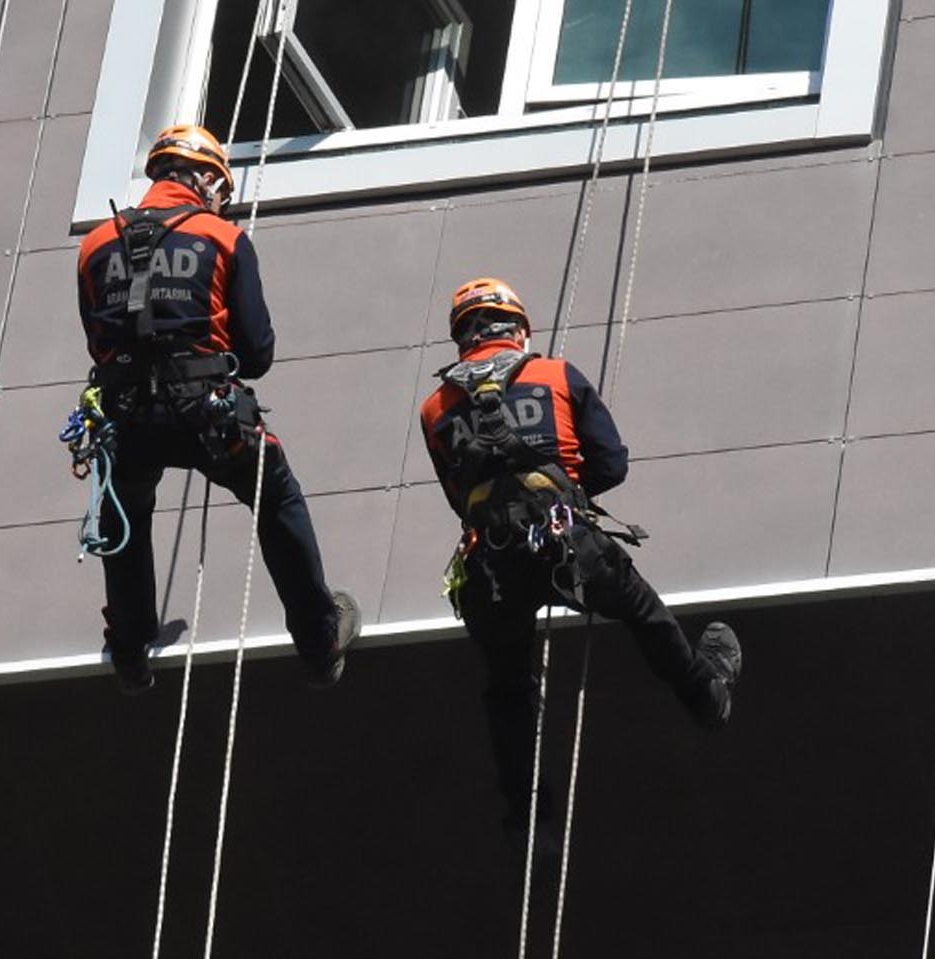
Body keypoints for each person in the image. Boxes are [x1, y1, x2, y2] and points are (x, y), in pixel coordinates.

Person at [416, 277, 740, 832]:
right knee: (643, 612)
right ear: (517, 328)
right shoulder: (556, 375)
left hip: (494, 568)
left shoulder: (434, 409)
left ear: (461, 339)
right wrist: (561, 489)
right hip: (568, 542)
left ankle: (528, 818)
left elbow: (458, 498)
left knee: (509, 688)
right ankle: (705, 694)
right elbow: (611, 464)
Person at [74, 122, 360, 694]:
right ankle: (318, 637)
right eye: (219, 187)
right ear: (204, 176)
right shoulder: (223, 237)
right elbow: (256, 354)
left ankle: (130, 651)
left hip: (126, 413)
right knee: (276, 495)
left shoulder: (94, 244)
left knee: (123, 508)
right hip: (208, 411)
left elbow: (98, 343)